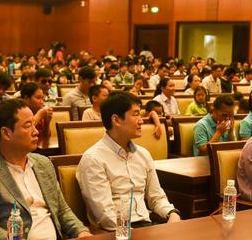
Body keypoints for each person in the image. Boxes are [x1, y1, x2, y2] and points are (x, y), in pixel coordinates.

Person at [0, 99, 91, 240]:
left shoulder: (43, 163)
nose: (36, 131)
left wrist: (81, 232)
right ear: (6, 133)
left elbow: (62, 210)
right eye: (28, 126)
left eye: (34, 124)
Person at [76, 92, 180, 231]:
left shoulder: (142, 154)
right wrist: (133, 234)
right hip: (113, 234)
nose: (141, 120)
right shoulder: (93, 159)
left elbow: (156, 197)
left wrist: (172, 214)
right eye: (135, 114)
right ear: (116, 120)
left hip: (145, 226)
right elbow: (104, 215)